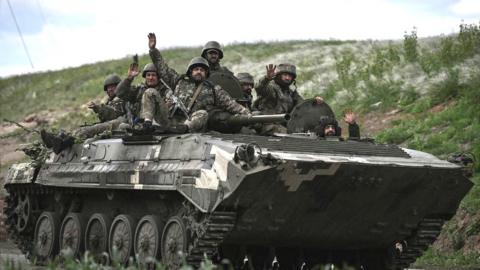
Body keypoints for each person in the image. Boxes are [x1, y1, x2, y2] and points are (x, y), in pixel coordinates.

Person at [147, 33, 249, 132]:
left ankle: (183, 128)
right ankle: (146, 124)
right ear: (191, 71)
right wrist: (153, 50)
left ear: (206, 73)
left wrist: (247, 114)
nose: (199, 72)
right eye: (196, 69)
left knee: (203, 114)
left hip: (189, 123)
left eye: (202, 70)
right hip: (169, 118)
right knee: (150, 92)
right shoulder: (178, 81)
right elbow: (162, 68)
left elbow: (230, 104)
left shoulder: (213, 89)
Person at [253, 64, 323, 134]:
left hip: (284, 126)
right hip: (268, 125)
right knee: (292, 135)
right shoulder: (271, 88)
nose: (287, 78)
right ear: (279, 75)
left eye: (290, 76)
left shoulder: (290, 93)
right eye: (285, 75)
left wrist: (314, 101)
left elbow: (302, 104)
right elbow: (260, 88)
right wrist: (266, 78)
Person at [115, 62, 169, 128]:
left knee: (150, 92)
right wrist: (129, 78)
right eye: (148, 75)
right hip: (141, 126)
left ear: (158, 77)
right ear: (145, 77)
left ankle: (148, 123)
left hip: (160, 123)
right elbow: (119, 93)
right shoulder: (139, 90)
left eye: (153, 75)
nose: (150, 78)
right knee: (122, 126)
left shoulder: (165, 91)